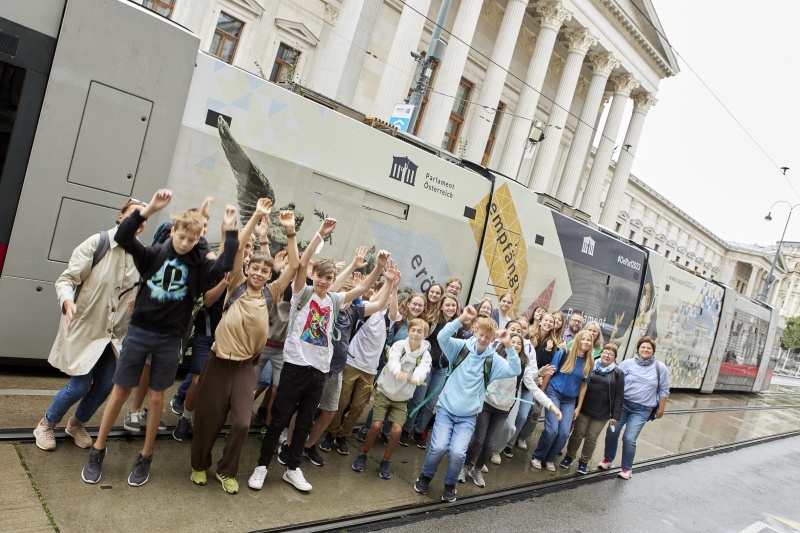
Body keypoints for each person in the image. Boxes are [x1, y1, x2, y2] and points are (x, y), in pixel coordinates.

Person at [81, 189, 239, 486]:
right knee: (120, 391)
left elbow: (225, 264)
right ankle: (98, 449)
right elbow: (124, 236)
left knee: (155, 398)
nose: (184, 242)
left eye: (191, 239)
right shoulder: (153, 255)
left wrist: (230, 230)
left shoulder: (199, 267)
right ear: (173, 231)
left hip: (169, 339)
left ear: (197, 240)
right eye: (181, 236)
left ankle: (146, 455)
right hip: (139, 333)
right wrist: (151, 207)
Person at [247, 217, 389, 493]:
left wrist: (379, 268)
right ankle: (262, 466)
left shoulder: (335, 300)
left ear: (334, 280)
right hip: (295, 366)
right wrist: (320, 234)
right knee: (279, 419)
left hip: (320, 371)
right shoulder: (303, 293)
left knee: (304, 423)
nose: (323, 281)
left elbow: (361, 290)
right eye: (320, 276)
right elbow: (301, 264)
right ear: (314, 275)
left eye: (328, 278)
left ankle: (292, 468)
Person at [189, 199, 298, 494]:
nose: (259, 273)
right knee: (208, 419)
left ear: (270, 275)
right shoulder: (236, 282)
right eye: (255, 268)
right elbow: (237, 246)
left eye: (265, 270)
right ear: (248, 269)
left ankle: (226, 471)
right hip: (218, 362)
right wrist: (257, 215)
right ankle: (199, 465)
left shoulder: (272, 293)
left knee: (240, 423)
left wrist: (290, 232)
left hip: (245, 368)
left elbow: (294, 265)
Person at [33, 199, 147, 452]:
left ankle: (76, 424)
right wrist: (67, 302)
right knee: (80, 385)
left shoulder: (142, 255)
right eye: (134, 215)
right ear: (120, 216)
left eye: (144, 219)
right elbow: (67, 280)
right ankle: (46, 424)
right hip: (86, 328)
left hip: (114, 335)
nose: (138, 222)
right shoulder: (98, 243)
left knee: (106, 385)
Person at [283, 262, 397, 467]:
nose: (345, 299)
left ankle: (309, 445)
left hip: (335, 369)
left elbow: (380, 304)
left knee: (329, 411)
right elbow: (331, 288)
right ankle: (289, 444)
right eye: (342, 294)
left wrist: (388, 281)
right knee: (304, 409)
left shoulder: (353, 312)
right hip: (314, 365)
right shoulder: (325, 305)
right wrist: (351, 268)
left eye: (349, 296)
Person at [413, 306, 520, 503]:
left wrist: (508, 344)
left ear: (493, 339)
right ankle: (426, 477)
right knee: (438, 447)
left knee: (457, 453)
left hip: (468, 416)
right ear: (475, 331)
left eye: (488, 337)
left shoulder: (493, 360)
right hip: (446, 409)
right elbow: (442, 336)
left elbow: (515, 369)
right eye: (481, 334)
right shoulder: (460, 347)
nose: (483, 339)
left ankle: (450, 484)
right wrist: (462, 317)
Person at [320, 260, 401, 456]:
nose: (387, 296)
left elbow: (392, 311)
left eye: (390, 295)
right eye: (385, 293)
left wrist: (393, 286)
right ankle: (331, 433)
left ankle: (343, 436)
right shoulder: (365, 308)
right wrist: (386, 282)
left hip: (370, 370)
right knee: (341, 402)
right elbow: (376, 301)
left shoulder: (388, 317)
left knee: (357, 407)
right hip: (351, 362)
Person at [352, 318, 431, 479]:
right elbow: (393, 361)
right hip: (385, 392)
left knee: (396, 431)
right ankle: (363, 454)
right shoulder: (399, 345)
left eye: (420, 331)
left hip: (402, 399)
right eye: (413, 330)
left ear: (425, 335)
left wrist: (416, 378)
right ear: (408, 331)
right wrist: (397, 372)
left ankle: (386, 461)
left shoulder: (425, 354)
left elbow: (424, 369)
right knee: (376, 426)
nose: (416, 334)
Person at [600, 336, 669, 480]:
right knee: (612, 431)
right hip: (622, 405)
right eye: (643, 347)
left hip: (642, 409)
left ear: (653, 351)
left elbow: (664, 390)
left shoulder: (660, 368)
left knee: (629, 438)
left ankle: (627, 469)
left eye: (649, 348)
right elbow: (615, 381)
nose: (645, 350)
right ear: (638, 349)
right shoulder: (627, 363)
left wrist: (661, 410)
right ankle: (608, 459)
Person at [401, 294, 463, 448]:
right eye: (447, 305)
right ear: (441, 306)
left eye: (453, 306)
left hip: (442, 370)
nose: (450, 308)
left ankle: (418, 432)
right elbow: (422, 338)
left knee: (431, 403)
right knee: (418, 399)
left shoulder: (457, 326)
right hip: (427, 366)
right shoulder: (432, 321)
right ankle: (406, 430)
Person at [531, 329, 593, 472]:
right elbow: (550, 372)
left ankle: (549, 458)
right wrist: (541, 393)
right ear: (578, 340)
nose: (585, 342)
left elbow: (584, 385)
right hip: (554, 393)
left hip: (570, 400)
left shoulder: (589, 362)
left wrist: (578, 407)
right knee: (552, 430)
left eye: (588, 340)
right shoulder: (564, 353)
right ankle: (538, 456)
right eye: (583, 339)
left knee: (564, 432)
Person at [560, 343, 624, 474]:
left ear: (615, 358)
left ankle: (583, 462)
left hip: (603, 412)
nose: (607, 355)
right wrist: (576, 405)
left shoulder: (618, 373)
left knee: (591, 437)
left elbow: (619, 396)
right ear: (601, 353)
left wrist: (616, 415)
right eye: (605, 352)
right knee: (577, 434)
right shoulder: (590, 365)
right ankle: (569, 457)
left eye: (611, 354)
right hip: (585, 407)